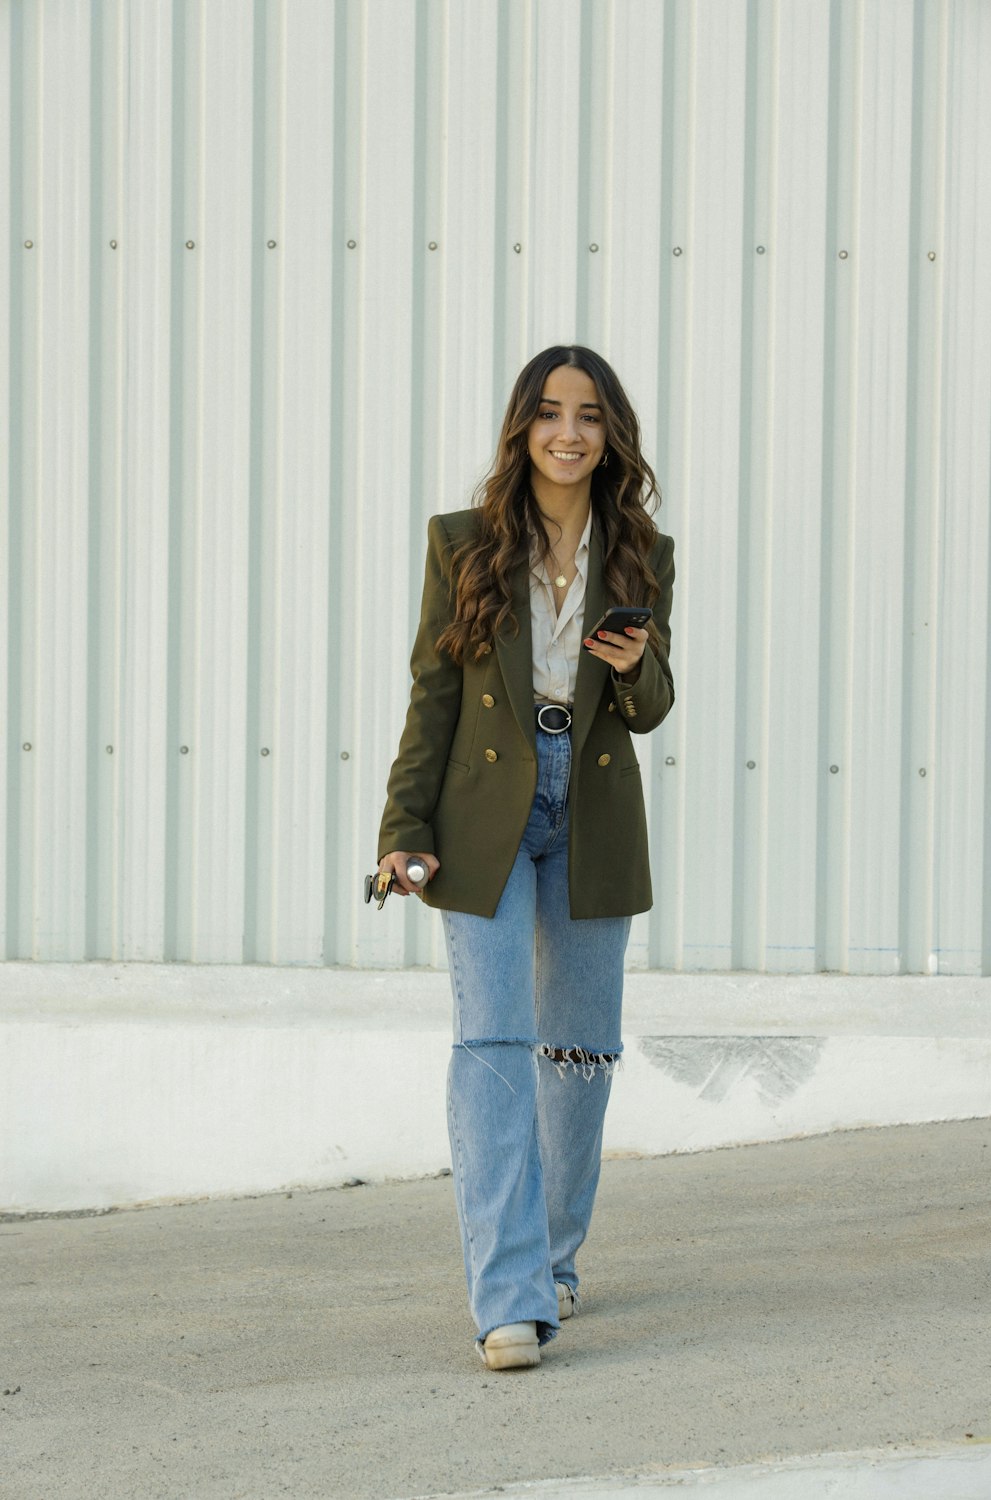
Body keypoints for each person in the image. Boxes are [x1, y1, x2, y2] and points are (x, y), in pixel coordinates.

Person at [376, 344, 675, 1370]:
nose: (566, 431)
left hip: (587, 811)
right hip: (480, 810)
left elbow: (646, 712)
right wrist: (402, 830)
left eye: (588, 415)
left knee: (578, 1053)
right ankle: (507, 1300)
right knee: (493, 1043)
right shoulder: (462, 543)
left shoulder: (641, 549)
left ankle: (551, 1260)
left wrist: (640, 668)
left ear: (609, 436)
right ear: (522, 428)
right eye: (548, 412)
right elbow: (433, 695)